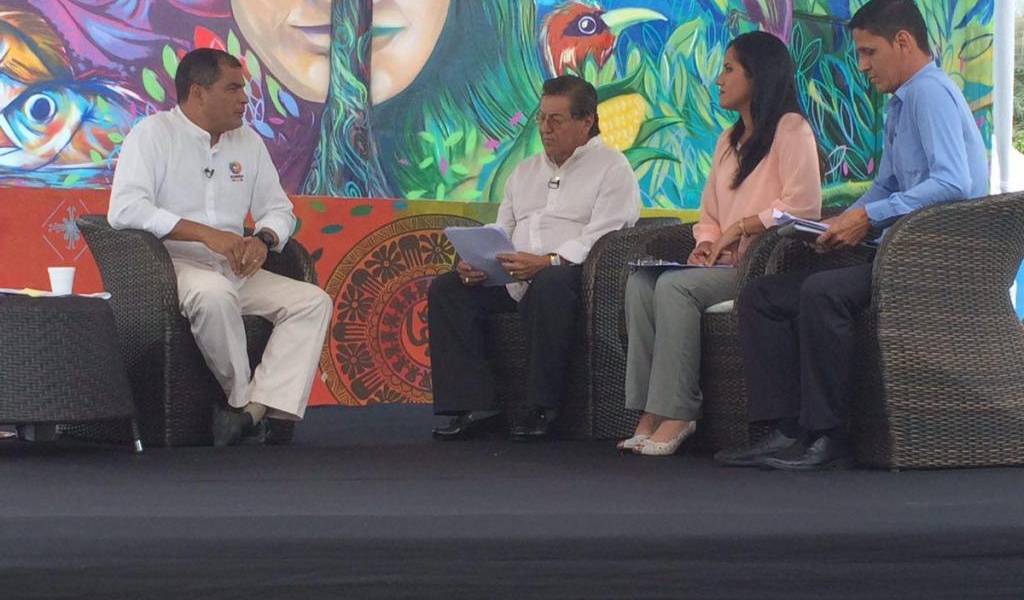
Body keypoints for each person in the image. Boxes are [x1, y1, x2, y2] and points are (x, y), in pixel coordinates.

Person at [715, 0, 989, 471]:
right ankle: (781, 430)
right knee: (764, 296)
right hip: (895, 253)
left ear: (903, 41)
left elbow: (952, 182)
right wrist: (837, 222)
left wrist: (868, 217)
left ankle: (829, 436)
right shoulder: (901, 103)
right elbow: (885, 185)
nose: (862, 66)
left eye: (868, 52)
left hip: (936, 258)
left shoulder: (928, 94)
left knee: (823, 292)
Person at [107, 48, 333, 447]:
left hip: (236, 268)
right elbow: (125, 209)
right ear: (198, 93)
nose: (244, 99)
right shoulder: (153, 135)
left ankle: (252, 414)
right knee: (214, 295)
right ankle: (243, 401)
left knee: (312, 302)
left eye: (243, 89)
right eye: (232, 89)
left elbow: (279, 209)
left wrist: (264, 240)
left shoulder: (248, 142)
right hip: (170, 268)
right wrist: (203, 234)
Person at [620, 31, 822, 456]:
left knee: (675, 288)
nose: (719, 79)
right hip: (721, 264)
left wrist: (744, 227)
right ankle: (649, 410)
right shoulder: (727, 140)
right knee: (640, 284)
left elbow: (804, 207)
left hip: (759, 268)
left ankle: (679, 412)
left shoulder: (791, 129)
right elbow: (709, 214)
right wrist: (707, 242)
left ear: (758, 75)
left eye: (729, 69)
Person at [428, 74, 640, 441]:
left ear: (586, 121)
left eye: (556, 120)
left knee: (549, 283)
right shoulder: (525, 171)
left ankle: (543, 406)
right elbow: (504, 227)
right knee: (449, 289)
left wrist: (549, 261)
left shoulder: (612, 168)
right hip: (516, 274)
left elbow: (606, 233)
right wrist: (479, 261)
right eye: (541, 118)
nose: (544, 128)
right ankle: (478, 406)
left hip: (577, 277)